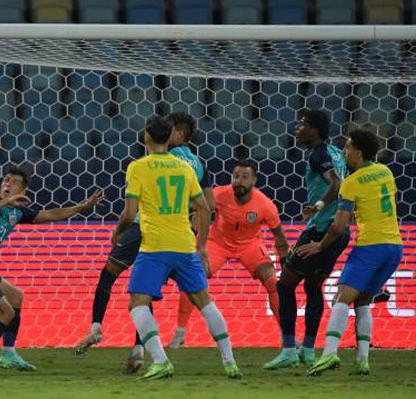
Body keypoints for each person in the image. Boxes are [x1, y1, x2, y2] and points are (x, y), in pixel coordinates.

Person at [75, 111, 214, 374]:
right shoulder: (197, 164)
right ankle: (139, 350)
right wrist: (196, 228)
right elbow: (210, 204)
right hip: (176, 234)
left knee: (110, 274)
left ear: (179, 133)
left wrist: (119, 231)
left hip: (143, 225)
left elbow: (131, 209)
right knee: (147, 290)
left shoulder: (158, 159)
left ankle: (96, 327)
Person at [112, 115, 241, 380]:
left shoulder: (138, 167)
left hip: (155, 246)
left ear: (147, 137)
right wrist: (201, 245)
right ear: (169, 136)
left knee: (137, 303)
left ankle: (160, 360)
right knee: (204, 302)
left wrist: (118, 231)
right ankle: (230, 362)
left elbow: (129, 214)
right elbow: (205, 208)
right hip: (184, 244)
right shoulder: (185, 168)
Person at [0, 167, 103, 374]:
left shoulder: (18, 212)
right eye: (6, 179)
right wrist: (6, 201)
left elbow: (49, 214)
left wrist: (80, 207)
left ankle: (8, 354)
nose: (7, 184)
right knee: (5, 312)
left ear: (23, 191)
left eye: (14, 182)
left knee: (16, 297)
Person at [301, 129, 403, 376]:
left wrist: (319, 246)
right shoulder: (385, 172)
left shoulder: (351, 182)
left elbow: (339, 226)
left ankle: (329, 354)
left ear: (358, 152)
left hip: (371, 246)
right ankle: (362, 361)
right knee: (363, 301)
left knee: (340, 298)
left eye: (347, 148)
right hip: (394, 247)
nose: (344, 152)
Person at [169, 159, 289, 348]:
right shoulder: (219, 194)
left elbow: (279, 237)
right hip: (218, 242)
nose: (239, 181)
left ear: (254, 180)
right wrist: (195, 222)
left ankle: (287, 336)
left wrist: (285, 263)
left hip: (249, 244)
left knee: (272, 280)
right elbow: (199, 208)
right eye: (236, 176)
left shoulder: (265, 205)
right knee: (193, 276)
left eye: (245, 177)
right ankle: (180, 332)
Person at [264, 109, 349, 369]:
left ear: (315, 130)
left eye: (302, 124)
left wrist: (318, 205)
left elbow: (336, 183)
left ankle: (289, 349)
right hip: (340, 231)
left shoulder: (319, 154)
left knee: (285, 285)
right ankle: (309, 350)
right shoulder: (336, 152)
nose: (297, 128)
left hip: (320, 230)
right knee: (313, 287)